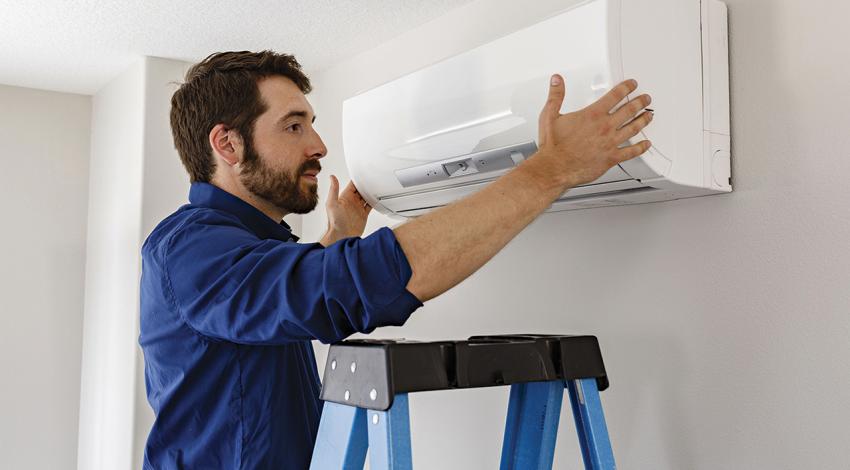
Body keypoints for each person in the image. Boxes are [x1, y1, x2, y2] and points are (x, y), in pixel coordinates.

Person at [139, 50, 653, 469]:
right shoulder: (190, 249)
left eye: (311, 124)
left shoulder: (246, 248)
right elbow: (347, 289)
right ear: (227, 144)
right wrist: (552, 169)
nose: (318, 144)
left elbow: (277, 309)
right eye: (293, 126)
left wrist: (332, 244)